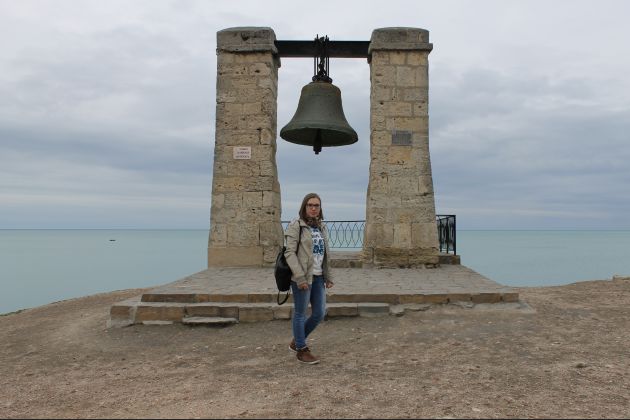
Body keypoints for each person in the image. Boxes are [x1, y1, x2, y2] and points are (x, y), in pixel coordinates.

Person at [284, 193, 334, 365]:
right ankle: (301, 350)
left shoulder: (322, 227)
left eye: (316, 205)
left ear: (320, 208)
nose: (313, 208)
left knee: (319, 313)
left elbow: (325, 254)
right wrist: (299, 277)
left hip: (319, 277)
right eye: (310, 205)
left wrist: (328, 276)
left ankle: (297, 341)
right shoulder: (296, 225)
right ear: (304, 207)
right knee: (300, 313)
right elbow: (289, 253)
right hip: (302, 277)